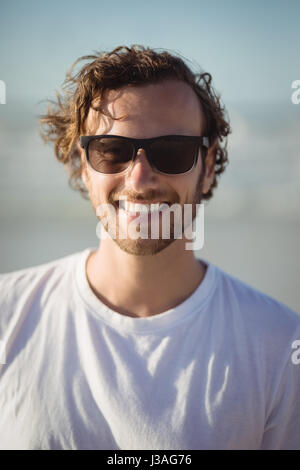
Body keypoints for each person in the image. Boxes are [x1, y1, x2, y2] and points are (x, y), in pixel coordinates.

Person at [0, 45, 300, 451]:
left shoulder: (281, 346)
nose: (139, 179)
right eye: (112, 151)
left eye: (172, 152)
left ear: (208, 166)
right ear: (82, 165)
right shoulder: (8, 318)